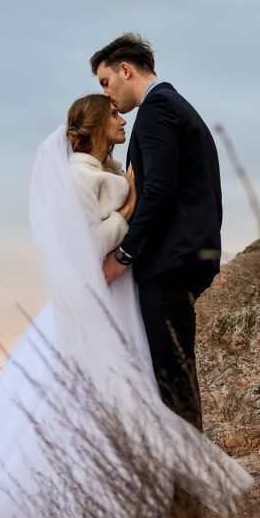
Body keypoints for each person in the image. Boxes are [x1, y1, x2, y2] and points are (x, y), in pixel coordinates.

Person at [0, 95, 251, 518]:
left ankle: (141, 502)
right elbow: (84, 243)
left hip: (120, 294)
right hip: (102, 295)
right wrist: (128, 210)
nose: (121, 117)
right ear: (93, 123)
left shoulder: (104, 169)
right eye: (111, 113)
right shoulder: (76, 175)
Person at [91, 33, 221, 432]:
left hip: (168, 262)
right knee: (174, 373)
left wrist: (123, 255)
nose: (107, 95)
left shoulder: (158, 109)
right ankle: (188, 483)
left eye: (105, 82)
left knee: (172, 381)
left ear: (125, 70)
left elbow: (160, 192)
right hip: (182, 258)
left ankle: (191, 487)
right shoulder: (176, 106)